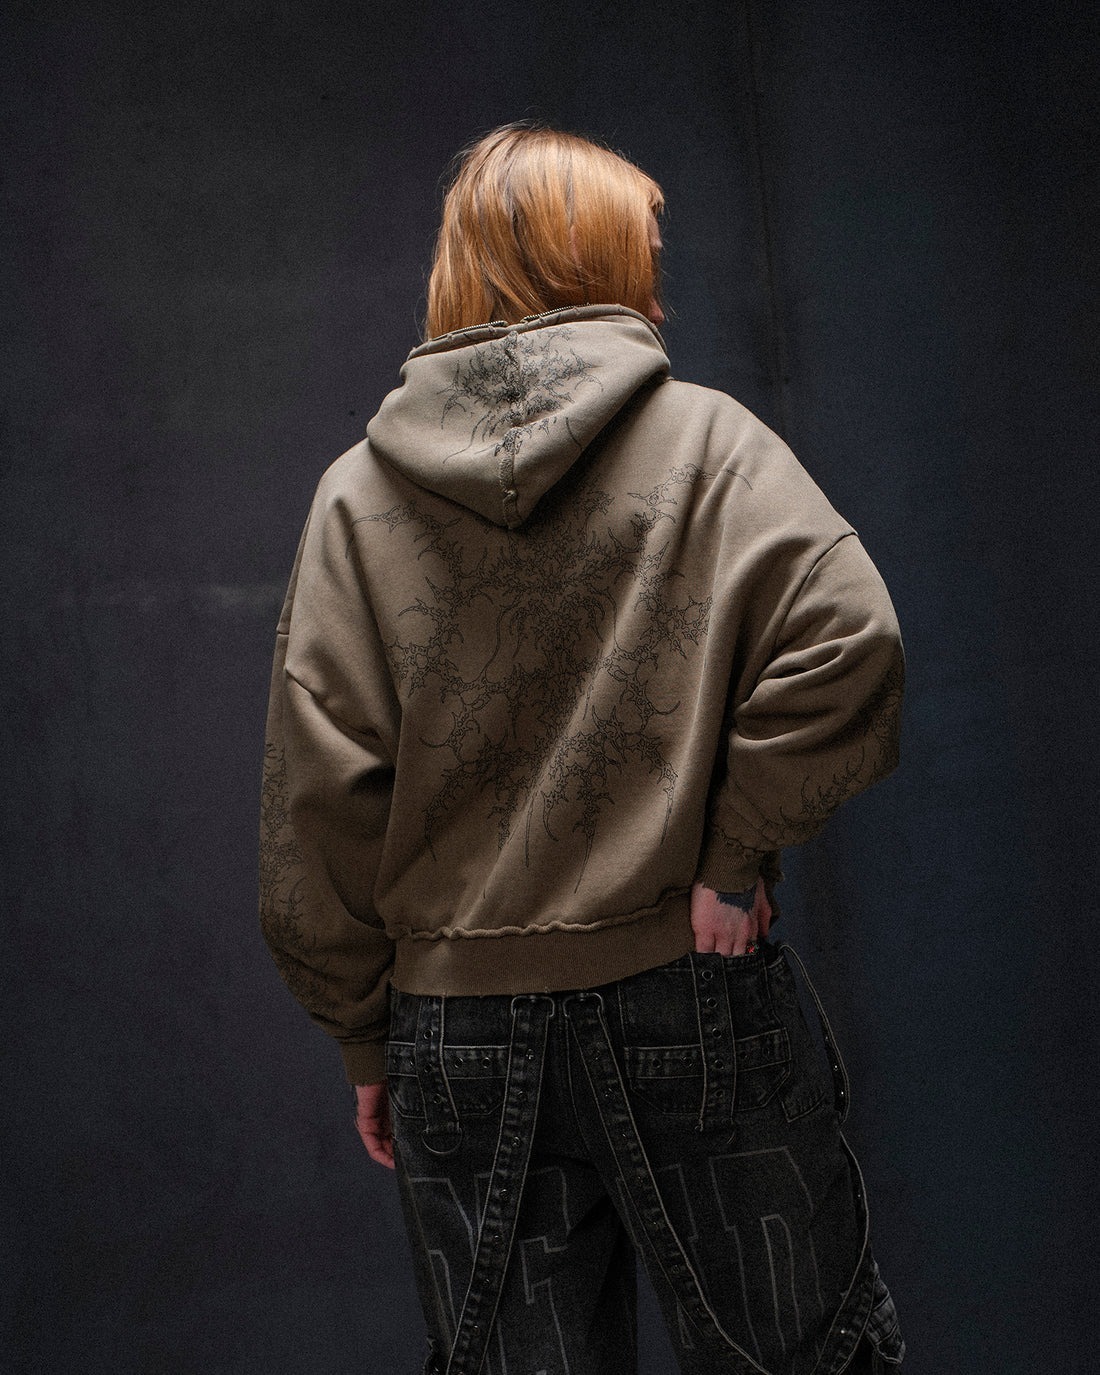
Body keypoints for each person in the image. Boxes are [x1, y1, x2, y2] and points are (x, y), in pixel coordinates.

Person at [259, 122, 907, 1375]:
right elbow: (851, 645)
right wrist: (728, 856)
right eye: (641, 248)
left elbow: (319, 795)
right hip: (689, 986)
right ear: (598, 260)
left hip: (455, 1032)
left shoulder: (355, 497)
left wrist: (363, 1034)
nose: (658, 279)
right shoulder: (709, 444)